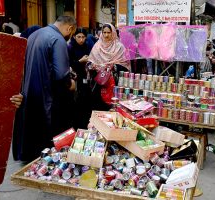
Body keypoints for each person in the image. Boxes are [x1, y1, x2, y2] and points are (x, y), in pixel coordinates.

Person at [12, 16, 77, 163]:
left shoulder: (35, 34)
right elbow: (61, 74)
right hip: (47, 95)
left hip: (29, 91)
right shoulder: (58, 39)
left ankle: (30, 156)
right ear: (70, 29)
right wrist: (70, 83)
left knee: (32, 126)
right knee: (47, 131)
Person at [88, 23, 130, 111]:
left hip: (115, 83)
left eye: (109, 32)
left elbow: (125, 65)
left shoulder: (120, 47)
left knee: (113, 108)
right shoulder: (97, 46)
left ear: (113, 33)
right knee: (98, 109)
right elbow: (90, 62)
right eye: (104, 32)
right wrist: (92, 66)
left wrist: (114, 66)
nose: (106, 35)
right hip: (99, 83)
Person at [68, 27, 93, 129]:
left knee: (85, 103)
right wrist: (79, 62)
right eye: (79, 37)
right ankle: (75, 125)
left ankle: (84, 125)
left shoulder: (87, 46)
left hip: (86, 78)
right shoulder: (70, 48)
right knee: (76, 104)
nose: (81, 39)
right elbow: (68, 65)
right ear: (74, 36)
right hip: (75, 80)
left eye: (83, 37)